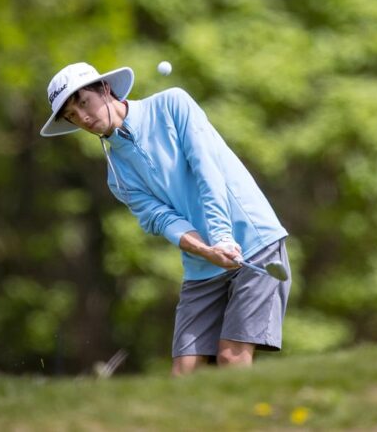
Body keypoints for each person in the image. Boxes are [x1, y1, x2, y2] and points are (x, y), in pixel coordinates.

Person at [41, 62, 291, 376]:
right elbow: (164, 221)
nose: (84, 118)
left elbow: (207, 172)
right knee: (183, 372)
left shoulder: (172, 104)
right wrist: (208, 251)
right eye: (72, 117)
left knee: (231, 357)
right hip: (202, 264)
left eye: (83, 103)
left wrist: (223, 238)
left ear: (105, 89)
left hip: (254, 241)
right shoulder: (116, 176)